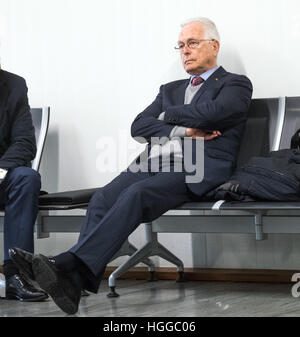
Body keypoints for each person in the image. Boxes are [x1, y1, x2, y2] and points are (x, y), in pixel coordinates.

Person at [10, 17, 253, 314]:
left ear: (214, 46)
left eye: (192, 43)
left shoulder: (235, 84)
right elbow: (139, 126)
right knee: (101, 198)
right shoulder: (170, 88)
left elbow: (217, 112)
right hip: (154, 163)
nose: (184, 51)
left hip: (197, 167)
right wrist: (184, 129)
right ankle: (72, 282)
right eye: (180, 46)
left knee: (137, 194)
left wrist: (165, 116)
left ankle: (66, 266)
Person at [0, 68, 48, 301]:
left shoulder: (14, 85)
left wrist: (0, 171)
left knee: (26, 178)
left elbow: (25, 142)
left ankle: (16, 276)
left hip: (2, 174)